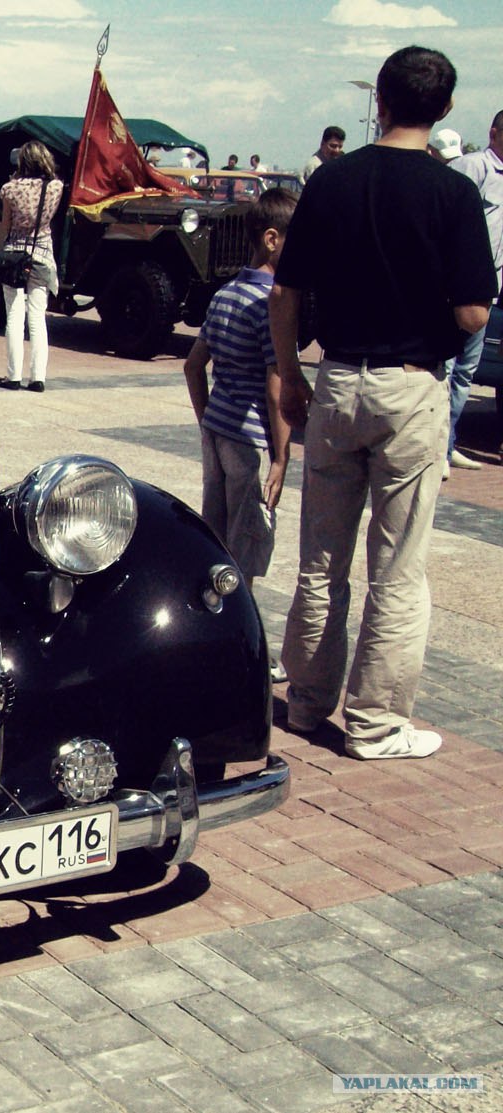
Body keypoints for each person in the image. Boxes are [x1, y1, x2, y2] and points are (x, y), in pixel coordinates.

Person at [270, 46, 496, 760]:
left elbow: (285, 291)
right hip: (411, 385)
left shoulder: (331, 180)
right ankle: (375, 722)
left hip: (338, 379)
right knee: (396, 568)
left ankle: (307, 700)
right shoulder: (454, 193)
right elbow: (473, 312)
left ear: (381, 101)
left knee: (321, 560)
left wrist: (291, 375)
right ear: (446, 108)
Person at [183, 188, 299, 681]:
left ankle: (209, 637)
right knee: (246, 547)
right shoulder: (270, 304)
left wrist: (208, 417)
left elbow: (193, 366)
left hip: (217, 430)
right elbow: (276, 386)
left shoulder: (225, 294)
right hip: (250, 439)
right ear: (272, 240)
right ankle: (243, 650)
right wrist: (281, 456)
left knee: (216, 541)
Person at [444, 111, 503, 472]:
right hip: (457, 289)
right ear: (494, 133)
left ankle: (448, 444)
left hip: (489, 293)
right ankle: (437, 447)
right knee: (447, 368)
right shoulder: (474, 166)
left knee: (465, 373)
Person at [0, 140, 63, 391]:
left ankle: (13, 376)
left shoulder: (9, 189)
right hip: (43, 254)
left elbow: (6, 224)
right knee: (37, 318)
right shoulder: (55, 187)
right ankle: (38, 378)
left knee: (14, 316)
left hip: (15, 254)